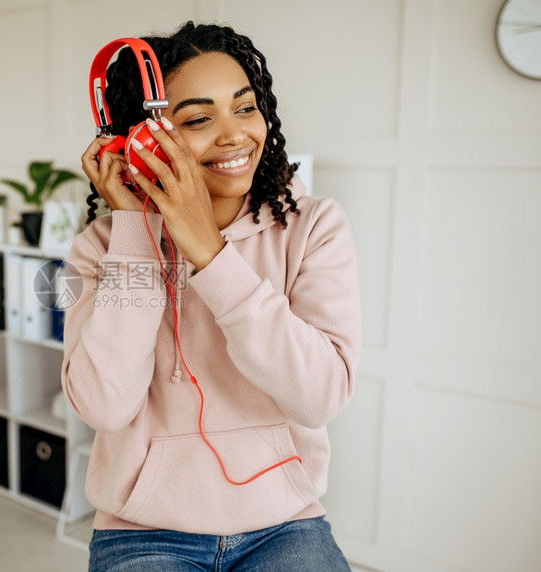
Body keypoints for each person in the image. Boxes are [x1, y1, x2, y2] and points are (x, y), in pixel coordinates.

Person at [62, 21, 362, 571]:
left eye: (246, 108)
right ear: (139, 141)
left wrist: (212, 256)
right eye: (199, 119)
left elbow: (322, 396)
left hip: (283, 524)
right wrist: (134, 233)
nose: (234, 135)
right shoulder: (100, 249)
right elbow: (104, 405)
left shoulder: (314, 226)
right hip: (143, 531)